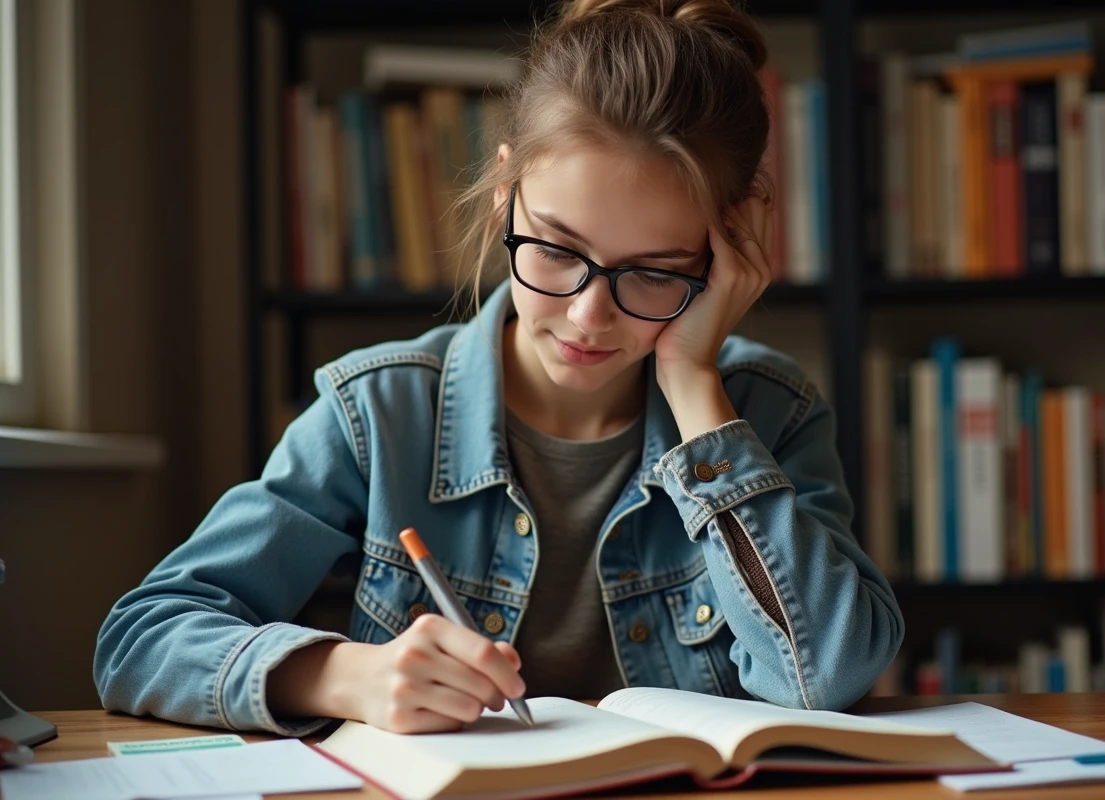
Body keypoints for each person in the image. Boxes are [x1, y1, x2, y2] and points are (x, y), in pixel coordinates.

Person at [94, 0, 902, 737]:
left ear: (726, 254)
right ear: (504, 193)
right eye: (555, 250)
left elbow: (825, 674)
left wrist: (694, 386)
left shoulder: (771, 412)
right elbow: (144, 636)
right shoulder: (378, 413)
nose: (590, 317)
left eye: (655, 272)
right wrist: (344, 676)